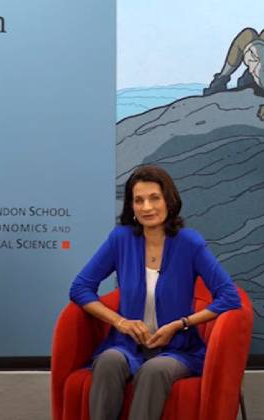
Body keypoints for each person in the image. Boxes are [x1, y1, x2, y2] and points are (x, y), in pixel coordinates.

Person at [69, 165, 241, 420]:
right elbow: (80, 288)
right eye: (138, 200)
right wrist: (120, 322)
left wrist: (180, 324)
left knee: (154, 370)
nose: (146, 207)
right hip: (125, 345)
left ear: (168, 201)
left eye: (154, 198)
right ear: (131, 206)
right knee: (108, 361)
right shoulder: (120, 239)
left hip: (178, 349)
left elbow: (229, 296)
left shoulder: (189, 243)